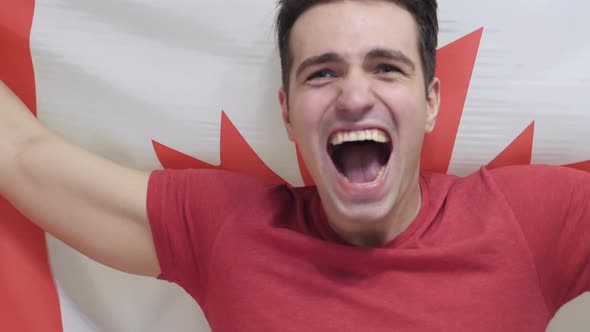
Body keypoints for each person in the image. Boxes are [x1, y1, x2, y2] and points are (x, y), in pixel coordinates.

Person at [0, 0, 589, 331]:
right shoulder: (226, 227)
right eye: (323, 72)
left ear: (431, 101)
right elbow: (26, 159)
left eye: (386, 67)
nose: (355, 96)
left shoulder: (526, 219)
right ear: (286, 111)